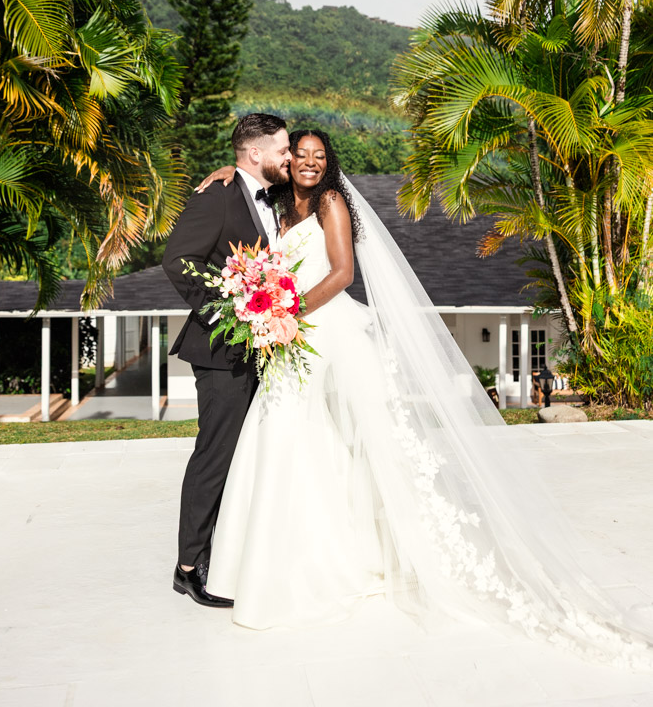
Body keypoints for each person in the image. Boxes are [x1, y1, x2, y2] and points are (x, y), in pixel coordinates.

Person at [194, 129, 653, 668]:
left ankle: (391, 555)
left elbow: (342, 273)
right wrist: (223, 174)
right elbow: (247, 191)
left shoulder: (332, 202)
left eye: (321, 156)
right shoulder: (276, 205)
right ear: (286, 160)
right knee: (297, 441)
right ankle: (296, 558)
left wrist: (286, 312)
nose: (311, 163)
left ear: (328, 163)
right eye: (302, 154)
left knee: (373, 445)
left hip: (329, 332)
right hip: (293, 342)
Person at [162, 112, 291, 607]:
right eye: (281, 149)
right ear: (254, 153)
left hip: (266, 347)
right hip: (221, 352)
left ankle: (237, 552)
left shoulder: (273, 198)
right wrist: (230, 306)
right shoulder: (215, 196)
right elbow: (179, 260)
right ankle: (189, 566)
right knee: (216, 455)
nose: (287, 156)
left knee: (250, 455)